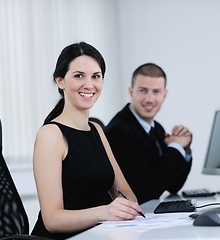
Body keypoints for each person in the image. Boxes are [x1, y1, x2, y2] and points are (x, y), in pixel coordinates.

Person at [31, 42, 143, 240]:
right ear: (60, 81)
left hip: (96, 234)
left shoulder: (96, 130)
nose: (89, 84)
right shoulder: (51, 135)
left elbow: (126, 193)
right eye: (78, 75)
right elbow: (52, 220)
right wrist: (105, 212)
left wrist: (124, 207)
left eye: (96, 76)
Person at [105, 63, 193, 204]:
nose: (149, 99)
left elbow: (173, 185)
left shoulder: (157, 129)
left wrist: (184, 148)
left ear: (165, 95)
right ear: (131, 91)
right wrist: (176, 147)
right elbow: (145, 192)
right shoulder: (118, 132)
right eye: (143, 91)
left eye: (156, 92)